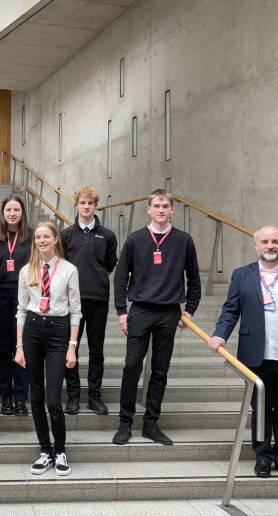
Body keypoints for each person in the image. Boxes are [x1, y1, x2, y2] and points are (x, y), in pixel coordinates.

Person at [209, 225, 278, 480]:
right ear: (256, 246)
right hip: (255, 356)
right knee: (260, 410)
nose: (270, 246)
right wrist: (219, 334)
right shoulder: (241, 275)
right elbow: (230, 310)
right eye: (265, 241)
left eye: (275, 241)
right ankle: (262, 455)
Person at [112, 189, 201, 446]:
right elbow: (120, 276)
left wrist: (190, 309)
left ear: (172, 210)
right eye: (156, 206)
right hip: (140, 310)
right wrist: (121, 311)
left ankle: (151, 423)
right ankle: (124, 424)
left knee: (160, 371)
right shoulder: (136, 239)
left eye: (165, 206)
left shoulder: (184, 240)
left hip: (169, 313)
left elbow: (194, 278)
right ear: (149, 209)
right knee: (132, 367)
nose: (161, 210)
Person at [15, 222, 81, 476]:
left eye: (46, 237)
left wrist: (72, 347)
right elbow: (21, 309)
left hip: (58, 331)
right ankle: (45, 451)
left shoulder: (68, 270)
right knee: (36, 396)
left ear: (55, 239)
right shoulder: (26, 270)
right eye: (38, 237)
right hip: (32, 330)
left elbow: (75, 310)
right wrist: (19, 345)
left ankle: (60, 450)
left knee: (53, 399)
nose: (42, 240)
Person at [60, 186, 117, 415]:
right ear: (76, 205)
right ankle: (73, 396)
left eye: (90, 203)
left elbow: (110, 265)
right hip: (71, 303)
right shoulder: (65, 235)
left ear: (96, 206)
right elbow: (61, 266)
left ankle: (94, 396)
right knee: (70, 347)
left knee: (97, 350)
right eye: (82, 203)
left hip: (98, 300)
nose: (86, 206)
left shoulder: (108, 235)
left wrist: (95, 280)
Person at [0, 195, 33, 416]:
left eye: (16, 209)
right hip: (0, 297)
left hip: (25, 296)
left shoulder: (31, 236)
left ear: (22, 212)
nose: (12, 213)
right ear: (3, 213)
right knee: (2, 348)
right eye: (8, 210)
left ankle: (21, 397)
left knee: (21, 346)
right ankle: (6, 397)